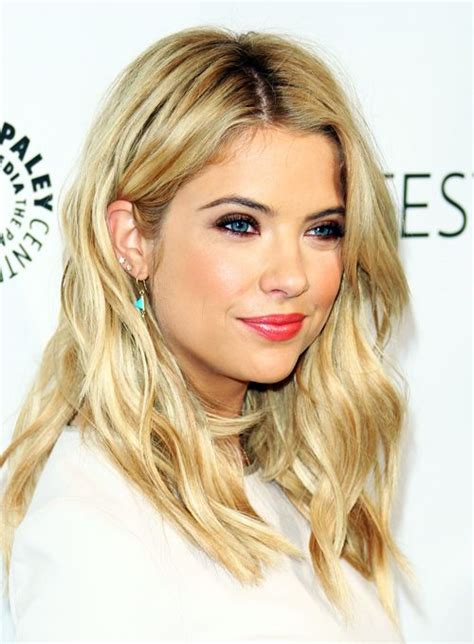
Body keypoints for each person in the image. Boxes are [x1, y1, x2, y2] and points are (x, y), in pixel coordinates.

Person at [0, 25, 416, 642]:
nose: (291, 276)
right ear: (133, 239)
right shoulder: (95, 526)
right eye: (241, 224)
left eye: (322, 230)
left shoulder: (288, 483)